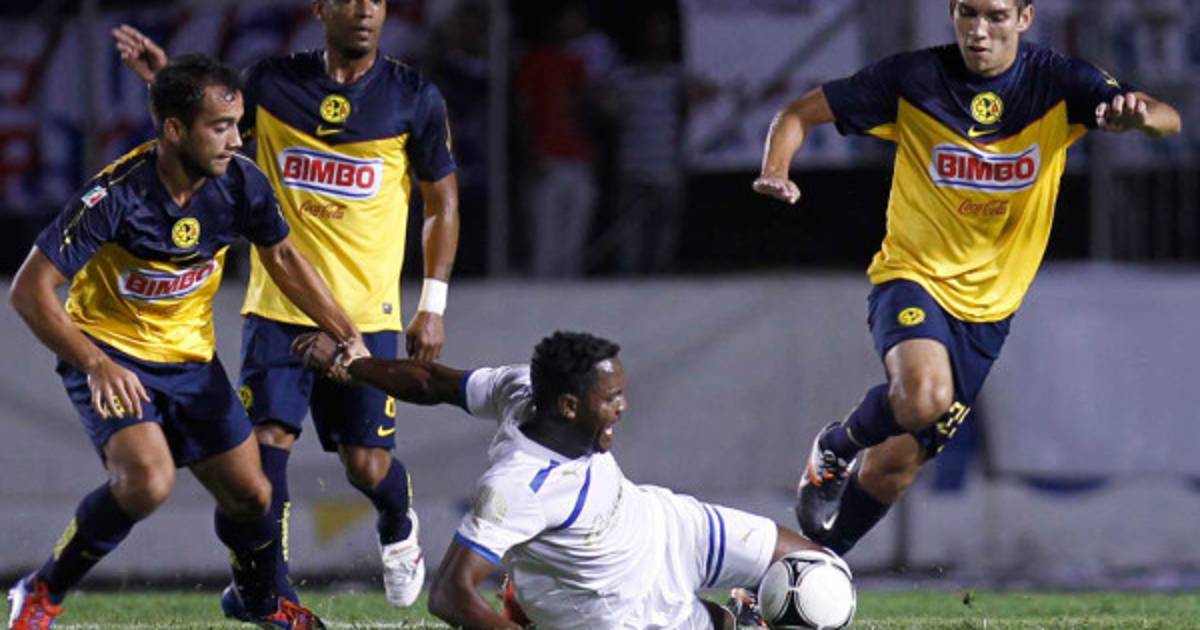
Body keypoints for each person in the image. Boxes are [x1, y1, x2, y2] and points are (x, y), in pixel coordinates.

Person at [752, 0, 1181, 555]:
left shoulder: (1058, 83)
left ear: (1024, 18)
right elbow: (797, 114)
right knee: (924, 397)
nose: (979, 31)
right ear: (952, 11)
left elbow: (1167, 118)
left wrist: (1139, 116)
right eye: (968, 14)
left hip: (988, 315)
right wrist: (775, 169)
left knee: (893, 467)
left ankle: (807, 567)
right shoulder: (914, 78)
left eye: (996, 16)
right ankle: (834, 448)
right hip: (914, 277)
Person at [111, 0, 460, 610]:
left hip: (366, 315)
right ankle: (270, 593)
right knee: (266, 446)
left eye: (377, 1)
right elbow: (210, 130)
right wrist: (167, 82)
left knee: (366, 466)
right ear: (320, 8)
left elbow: (441, 203)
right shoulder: (272, 84)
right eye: (350, 0)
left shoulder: (413, 97)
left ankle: (397, 524)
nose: (365, 12)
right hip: (276, 306)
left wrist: (431, 304)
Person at [6, 54, 364, 630]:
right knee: (147, 483)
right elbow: (29, 291)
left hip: (191, 361)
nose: (236, 140)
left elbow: (282, 256)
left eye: (237, 124)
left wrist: (347, 333)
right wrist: (95, 364)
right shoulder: (115, 195)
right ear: (174, 130)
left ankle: (256, 599)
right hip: (113, 354)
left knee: (252, 496)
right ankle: (42, 589)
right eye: (220, 127)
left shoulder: (241, 182)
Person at [291, 329, 846, 629]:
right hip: (616, 605)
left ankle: (746, 609)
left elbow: (431, 381)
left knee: (827, 576)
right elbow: (450, 594)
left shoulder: (520, 387)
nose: (624, 408)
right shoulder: (516, 486)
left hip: (669, 526)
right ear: (568, 406)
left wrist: (351, 365)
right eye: (612, 399)